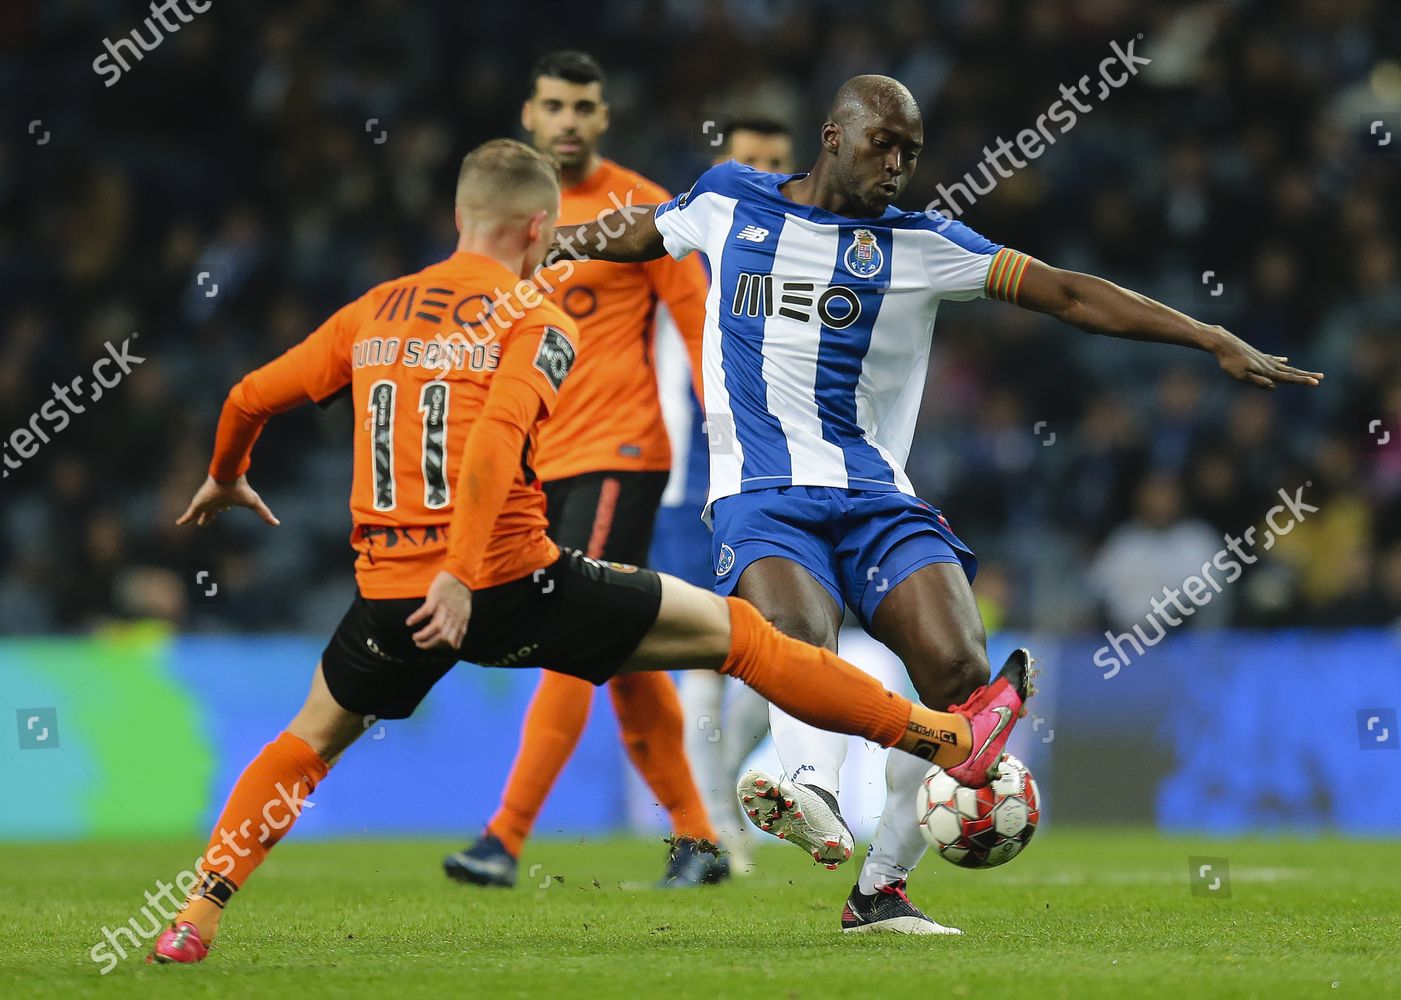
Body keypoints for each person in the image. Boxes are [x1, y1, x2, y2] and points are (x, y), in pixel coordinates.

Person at [149, 137, 1031, 965]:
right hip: (509, 581)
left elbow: (248, 394)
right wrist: (461, 573)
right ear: (542, 229)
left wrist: (226, 474)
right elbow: (495, 440)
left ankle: (198, 912)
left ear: (462, 217)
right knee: (746, 637)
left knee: (312, 736)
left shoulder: (374, 310)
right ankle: (949, 733)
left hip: (389, 597)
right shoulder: (538, 315)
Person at [550, 75, 1322, 934]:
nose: (899, 166)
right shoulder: (730, 197)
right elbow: (638, 233)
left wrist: (1206, 334)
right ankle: (805, 788)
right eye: (884, 144)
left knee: (963, 689)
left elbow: (1067, 293)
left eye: (911, 153)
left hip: (879, 497)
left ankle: (878, 889)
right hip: (762, 495)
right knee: (798, 643)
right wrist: (555, 240)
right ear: (833, 135)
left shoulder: (923, 243)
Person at [441, 50, 724, 891]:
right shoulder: (501, 213)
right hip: (534, 465)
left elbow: (698, 321)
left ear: (604, 118)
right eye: (554, 106)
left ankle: (504, 836)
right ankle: (698, 838)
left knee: (566, 634)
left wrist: (731, 446)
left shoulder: (644, 209)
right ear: (528, 115)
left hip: (618, 455)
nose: (568, 120)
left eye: (584, 107)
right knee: (620, 649)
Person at [673, 117, 796, 872]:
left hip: (780, 482)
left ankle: (716, 808)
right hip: (694, 484)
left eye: (775, 164)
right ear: (723, 168)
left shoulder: (807, 258)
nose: (761, 175)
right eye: (746, 162)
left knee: (780, 653)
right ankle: (714, 827)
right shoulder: (686, 256)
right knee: (701, 661)